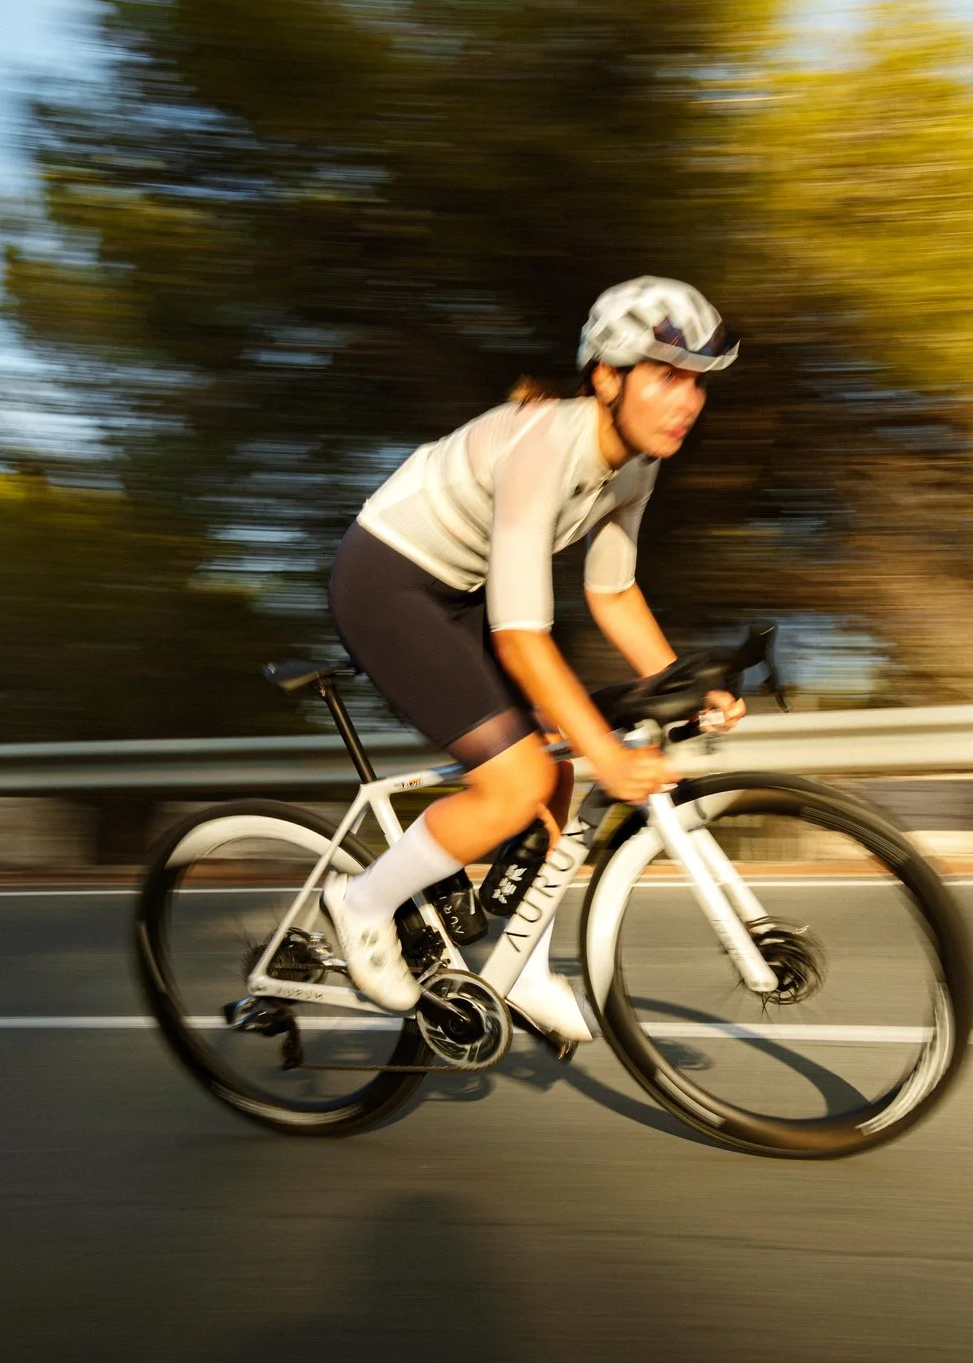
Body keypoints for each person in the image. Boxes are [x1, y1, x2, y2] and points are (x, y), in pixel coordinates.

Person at [321, 276, 749, 1039]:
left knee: (553, 771)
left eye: (699, 384)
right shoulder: (543, 444)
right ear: (607, 377)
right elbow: (522, 636)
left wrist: (688, 684)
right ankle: (360, 904)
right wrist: (611, 760)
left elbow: (613, 593)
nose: (688, 400)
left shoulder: (638, 464)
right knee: (518, 779)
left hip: (460, 593)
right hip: (387, 577)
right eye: (668, 377)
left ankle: (522, 965)